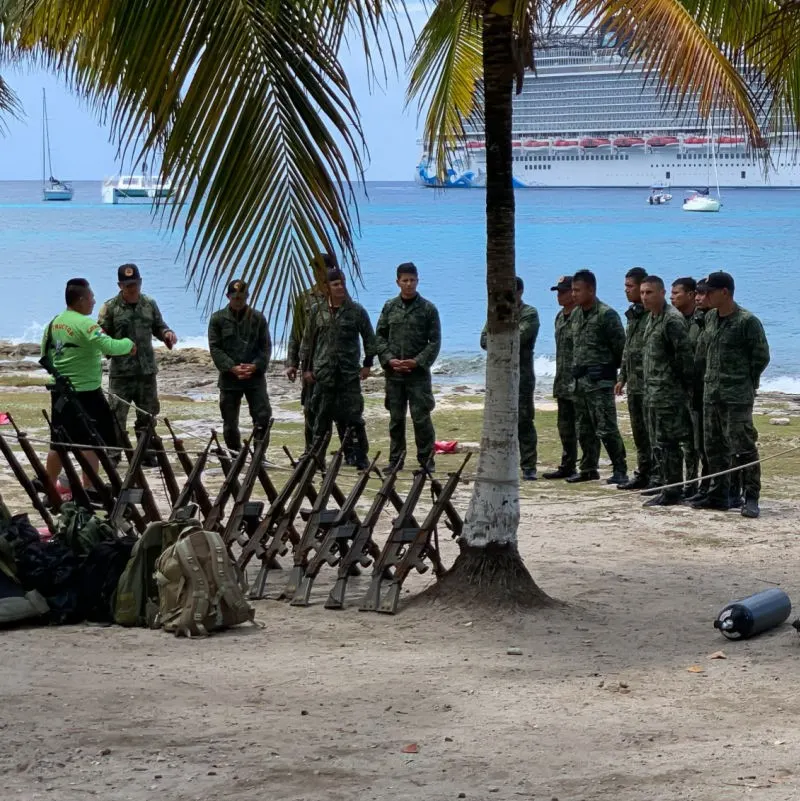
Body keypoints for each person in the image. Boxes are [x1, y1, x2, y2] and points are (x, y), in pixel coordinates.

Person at [40, 278, 135, 488]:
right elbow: (109, 347)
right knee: (90, 443)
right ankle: (89, 488)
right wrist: (129, 344)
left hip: (59, 391)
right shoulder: (86, 324)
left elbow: (44, 352)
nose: (94, 302)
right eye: (91, 298)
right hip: (84, 393)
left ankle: (50, 485)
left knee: (58, 443)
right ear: (81, 300)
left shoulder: (54, 322)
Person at [692, 271, 770, 518]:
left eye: (709, 292)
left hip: (736, 396)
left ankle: (751, 497)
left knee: (743, 447)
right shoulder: (711, 318)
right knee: (713, 447)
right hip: (711, 394)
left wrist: (744, 382)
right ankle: (719, 494)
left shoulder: (747, 321)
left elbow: (761, 357)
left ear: (724, 292)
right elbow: (703, 354)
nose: (704, 296)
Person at [97, 263, 177, 466]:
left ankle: (146, 453)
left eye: (135, 284)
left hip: (146, 371)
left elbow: (159, 326)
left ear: (140, 282)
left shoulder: (149, 303)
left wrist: (167, 334)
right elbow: (100, 335)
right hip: (122, 373)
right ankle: (114, 454)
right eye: (127, 285)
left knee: (148, 416)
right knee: (116, 416)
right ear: (120, 285)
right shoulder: (110, 308)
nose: (132, 288)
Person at [284, 253, 358, 460]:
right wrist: (292, 363)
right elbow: (297, 333)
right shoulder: (304, 299)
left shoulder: (343, 297)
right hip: (312, 365)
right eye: (315, 269)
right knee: (311, 409)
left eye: (322, 269)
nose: (318, 273)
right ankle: (312, 451)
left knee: (344, 410)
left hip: (338, 365)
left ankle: (350, 452)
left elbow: (353, 334)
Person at [301, 267, 376, 469]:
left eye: (342, 283)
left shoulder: (356, 311)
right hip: (323, 375)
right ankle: (316, 457)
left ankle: (359, 456)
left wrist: (367, 365)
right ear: (327, 287)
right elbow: (308, 343)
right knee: (321, 419)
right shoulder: (317, 311)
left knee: (353, 418)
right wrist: (306, 370)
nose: (340, 287)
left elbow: (370, 339)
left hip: (348, 375)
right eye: (335, 284)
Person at [375, 262, 441, 471]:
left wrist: (418, 361)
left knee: (421, 419)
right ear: (398, 282)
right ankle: (396, 460)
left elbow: (435, 342)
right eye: (405, 280)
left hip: (418, 375)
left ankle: (426, 461)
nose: (409, 284)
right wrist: (388, 360)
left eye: (412, 280)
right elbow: (379, 337)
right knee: (396, 420)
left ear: (417, 280)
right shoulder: (389, 307)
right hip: (394, 375)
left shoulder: (428, 309)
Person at [568, 269, 628, 484]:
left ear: (591, 290)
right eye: (572, 290)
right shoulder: (576, 314)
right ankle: (588, 468)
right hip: (580, 381)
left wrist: (610, 371)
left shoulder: (606, 314)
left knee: (606, 427)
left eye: (578, 290)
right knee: (584, 428)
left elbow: (621, 348)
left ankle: (620, 468)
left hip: (600, 381)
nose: (573, 294)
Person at [639, 275, 694, 506]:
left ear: (662, 293)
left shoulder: (672, 320)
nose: (644, 297)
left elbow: (684, 358)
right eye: (642, 293)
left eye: (649, 292)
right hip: (652, 392)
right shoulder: (651, 318)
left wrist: (681, 388)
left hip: (669, 394)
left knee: (670, 443)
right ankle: (664, 483)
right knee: (658, 442)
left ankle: (673, 489)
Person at [480, 276, 539, 480]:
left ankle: (529, 465)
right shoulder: (496, 312)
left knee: (524, 420)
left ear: (520, 292)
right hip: (499, 375)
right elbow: (484, 340)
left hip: (522, 376)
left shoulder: (529, 313)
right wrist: (499, 340)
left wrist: (499, 339)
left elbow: (517, 339)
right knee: (499, 419)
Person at [208, 279, 272, 452]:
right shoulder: (218, 319)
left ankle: (259, 455)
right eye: (235, 297)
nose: (239, 300)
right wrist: (231, 367)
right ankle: (235, 454)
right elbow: (215, 347)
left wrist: (256, 366)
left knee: (262, 418)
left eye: (242, 297)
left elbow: (265, 346)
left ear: (248, 297)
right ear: (228, 296)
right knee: (229, 422)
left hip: (254, 378)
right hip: (230, 379)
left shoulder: (258, 318)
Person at [614, 267, 651, 490]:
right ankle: (643, 472)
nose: (627, 291)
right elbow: (629, 348)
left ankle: (657, 474)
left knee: (652, 433)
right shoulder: (634, 315)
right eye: (625, 286)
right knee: (639, 432)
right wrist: (623, 377)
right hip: (635, 384)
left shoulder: (654, 315)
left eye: (630, 287)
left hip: (651, 384)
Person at [543, 276, 581, 480]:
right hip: (563, 380)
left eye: (563, 291)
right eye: (558, 292)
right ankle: (567, 465)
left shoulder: (580, 315)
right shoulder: (559, 317)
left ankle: (587, 466)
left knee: (583, 427)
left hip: (579, 381)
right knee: (564, 427)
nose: (560, 295)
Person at [670, 276, 701, 490]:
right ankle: (681, 484)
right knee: (679, 438)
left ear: (690, 295)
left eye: (676, 293)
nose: (672, 298)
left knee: (697, 442)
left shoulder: (703, 319)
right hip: (677, 390)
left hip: (698, 388)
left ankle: (695, 484)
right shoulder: (673, 319)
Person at [685, 279, 712, 502]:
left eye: (703, 294)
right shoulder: (696, 321)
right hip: (697, 391)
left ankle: (733, 489)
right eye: (697, 294)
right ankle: (703, 487)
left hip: (722, 392)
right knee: (700, 443)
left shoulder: (737, 320)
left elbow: (759, 358)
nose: (698, 298)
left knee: (725, 445)